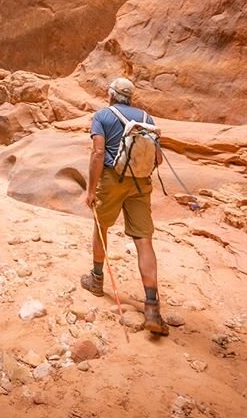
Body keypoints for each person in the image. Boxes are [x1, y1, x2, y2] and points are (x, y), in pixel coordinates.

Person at [81, 77, 169, 336]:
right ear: (131, 97)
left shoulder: (102, 116)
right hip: (141, 183)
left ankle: (97, 281)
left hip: (112, 178)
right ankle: (152, 307)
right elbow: (159, 158)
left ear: (110, 95)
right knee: (144, 240)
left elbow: (98, 153)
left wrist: (90, 190)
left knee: (102, 227)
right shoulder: (147, 118)